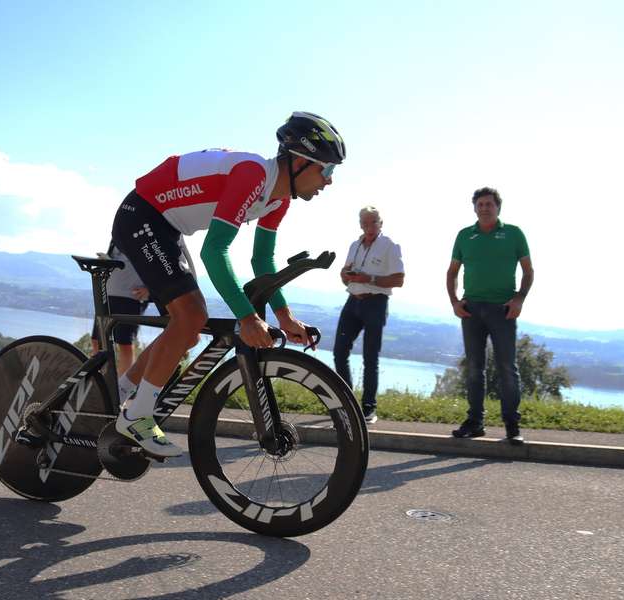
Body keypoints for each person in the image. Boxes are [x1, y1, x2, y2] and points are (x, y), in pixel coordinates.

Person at [109, 111, 345, 457]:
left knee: (187, 327)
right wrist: (248, 318)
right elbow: (214, 252)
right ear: (298, 162)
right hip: (141, 215)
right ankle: (137, 415)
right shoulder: (251, 175)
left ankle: (118, 393)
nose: (329, 181)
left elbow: (262, 261)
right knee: (190, 316)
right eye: (327, 169)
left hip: (167, 228)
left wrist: (285, 317)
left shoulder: (278, 200)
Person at [446, 187, 533, 445]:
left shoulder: (514, 234)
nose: (484, 208)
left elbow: (528, 271)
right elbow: (451, 272)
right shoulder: (464, 236)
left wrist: (519, 299)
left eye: (489, 204)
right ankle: (475, 422)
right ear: (474, 208)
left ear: (498, 208)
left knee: (507, 368)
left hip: (503, 310)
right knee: (474, 369)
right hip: (471, 309)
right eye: (480, 204)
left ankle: (512, 425)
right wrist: (454, 301)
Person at [333, 206, 405, 424]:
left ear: (381, 223)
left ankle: (368, 408)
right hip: (353, 301)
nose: (369, 227)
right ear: (360, 225)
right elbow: (345, 274)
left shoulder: (390, 246)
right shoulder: (355, 245)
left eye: (373, 222)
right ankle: (348, 403)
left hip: (376, 303)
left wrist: (370, 279)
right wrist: (346, 276)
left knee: (370, 358)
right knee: (339, 352)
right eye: (365, 223)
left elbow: (399, 279)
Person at [90, 240, 195, 375]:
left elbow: (167, 265)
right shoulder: (121, 229)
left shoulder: (152, 230)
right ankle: (100, 385)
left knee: (125, 344)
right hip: (109, 291)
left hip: (131, 297)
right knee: (97, 341)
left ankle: (120, 390)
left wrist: (150, 291)